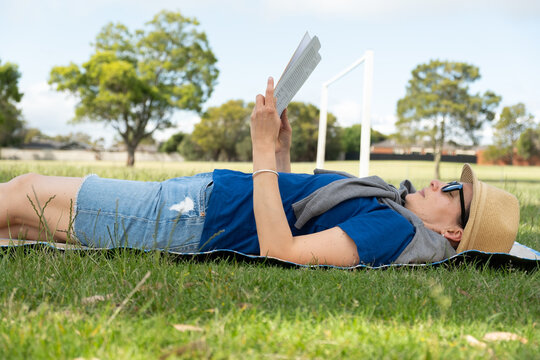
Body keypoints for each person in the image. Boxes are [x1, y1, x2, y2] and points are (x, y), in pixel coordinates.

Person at [0, 78, 520, 267]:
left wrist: (260, 148)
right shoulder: (388, 209)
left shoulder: (394, 230)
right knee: (25, 222)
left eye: (453, 191)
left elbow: (283, 249)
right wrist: (282, 153)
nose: (438, 182)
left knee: (26, 193)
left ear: (452, 231)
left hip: (195, 218)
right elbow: (299, 217)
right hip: (201, 204)